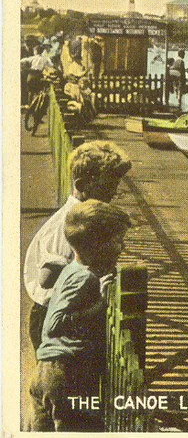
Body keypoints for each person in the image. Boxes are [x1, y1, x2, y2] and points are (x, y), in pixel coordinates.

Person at [30, 199, 131, 431]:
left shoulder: (73, 270)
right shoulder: (84, 278)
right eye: (117, 241)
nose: (122, 247)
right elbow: (55, 324)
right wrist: (101, 304)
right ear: (96, 245)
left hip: (49, 371)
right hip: (65, 373)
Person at [23, 141, 132, 353]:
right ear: (82, 186)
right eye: (107, 187)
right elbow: (46, 279)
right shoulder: (70, 224)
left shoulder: (84, 218)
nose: (112, 194)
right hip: (51, 314)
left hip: (65, 310)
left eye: (115, 187)